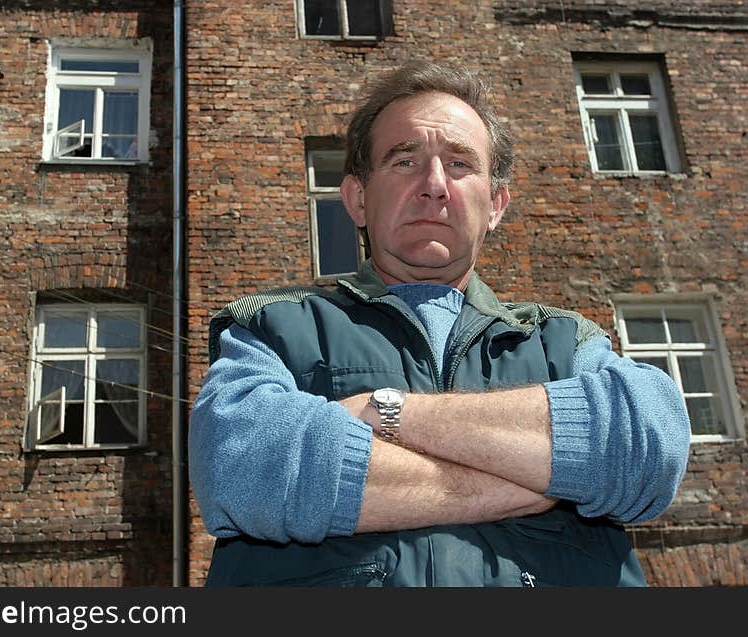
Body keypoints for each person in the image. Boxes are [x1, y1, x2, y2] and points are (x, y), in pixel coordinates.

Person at [188, 60, 692, 587]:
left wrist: (387, 413)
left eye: (459, 164)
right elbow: (243, 465)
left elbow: (647, 444)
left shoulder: (564, 341)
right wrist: (544, 477)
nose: (434, 185)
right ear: (357, 198)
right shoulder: (274, 326)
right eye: (404, 161)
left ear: (495, 205)